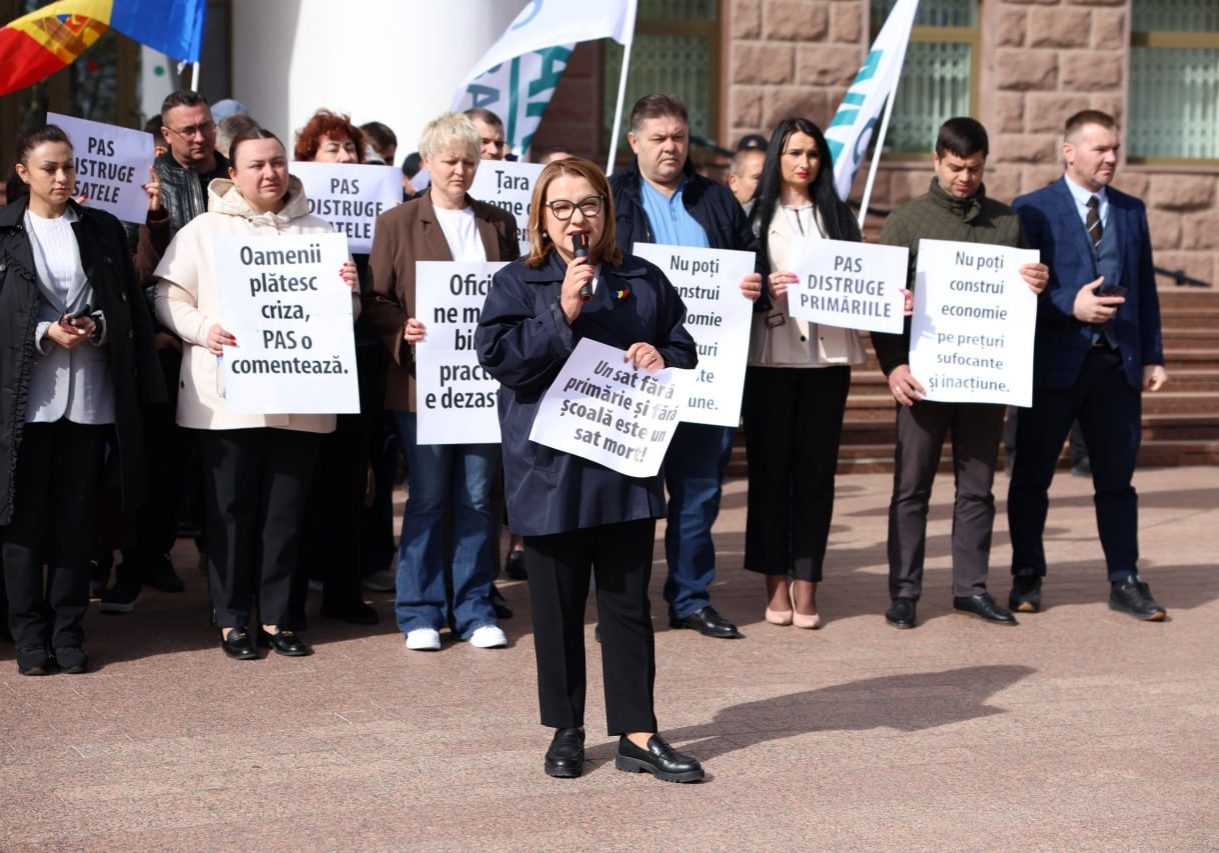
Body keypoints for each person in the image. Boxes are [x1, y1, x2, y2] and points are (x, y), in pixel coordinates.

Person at [476, 156, 704, 782]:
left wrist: (662, 352)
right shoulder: (518, 283)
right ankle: (567, 728)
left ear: (606, 210)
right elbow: (502, 360)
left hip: (623, 468)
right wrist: (564, 313)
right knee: (556, 607)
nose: (577, 218)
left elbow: (683, 345)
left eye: (589, 205)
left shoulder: (642, 277)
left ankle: (637, 732)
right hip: (550, 471)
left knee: (628, 606)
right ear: (542, 218)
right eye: (562, 207)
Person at [154, 128, 360, 660]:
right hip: (226, 400)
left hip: (301, 398)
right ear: (234, 171)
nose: (270, 173)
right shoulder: (203, 230)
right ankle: (230, 618)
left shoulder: (320, 230)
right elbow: (169, 297)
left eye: (277, 162)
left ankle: (279, 617)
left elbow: (345, 315)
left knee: (285, 513)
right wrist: (204, 331)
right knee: (229, 511)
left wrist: (346, 290)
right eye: (256, 165)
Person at [872, 117, 1048, 630]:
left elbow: (1018, 306)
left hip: (984, 379)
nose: (964, 178)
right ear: (936, 160)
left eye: (973, 168)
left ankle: (970, 588)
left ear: (984, 164)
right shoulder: (905, 222)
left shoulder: (1007, 223)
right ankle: (905, 592)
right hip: (921, 380)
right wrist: (893, 365)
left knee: (977, 488)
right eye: (955, 168)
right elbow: (884, 305)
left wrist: (1035, 282)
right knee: (912, 488)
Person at [0, 124, 162, 675]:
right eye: (51, 167)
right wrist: (44, 333)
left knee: (75, 522)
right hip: (25, 402)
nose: (64, 176)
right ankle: (27, 635)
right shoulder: (5, 233)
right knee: (23, 522)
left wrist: (94, 326)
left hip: (88, 398)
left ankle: (68, 630)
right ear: (24, 173)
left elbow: (126, 307)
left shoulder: (101, 229)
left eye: (69, 165)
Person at [610, 93, 763, 640]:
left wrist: (753, 284)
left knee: (698, 492)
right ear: (634, 143)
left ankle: (691, 598)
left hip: (705, 377)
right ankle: (622, 608)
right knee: (627, 496)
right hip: (634, 373)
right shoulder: (612, 196)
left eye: (678, 136)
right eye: (658, 138)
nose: (670, 147)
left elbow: (753, 260)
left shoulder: (717, 200)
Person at [1007, 110, 1169, 621]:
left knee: (1117, 482)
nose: (1111, 158)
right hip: (1052, 364)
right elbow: (1020, 289)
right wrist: (1067, 305)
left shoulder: (1130, 209)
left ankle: (1125, 579)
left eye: (1115, 148)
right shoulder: (1031, 209)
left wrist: (1153, 356)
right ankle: (1027, 576)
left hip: (1116, 367)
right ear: (1068, 151)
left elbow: (1143, 285)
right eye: (1100, 149)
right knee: (1031, 478)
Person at [364, 112, 517, 651]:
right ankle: (419, 610)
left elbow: (513, 294)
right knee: (428, 497)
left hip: (481, 388)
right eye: (450, 160)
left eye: (469, 161)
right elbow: (376, 299)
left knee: (477, 498)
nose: (460, 170)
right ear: (427, 161)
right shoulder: (397, 222)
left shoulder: (498, 224)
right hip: (421, 386)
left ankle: (474, 609)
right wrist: (400, 328)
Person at [745, 118, 866, 629]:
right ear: (777, 157)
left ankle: (808, 581)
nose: (804, 162)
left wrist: (889, 299)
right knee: (771, 475)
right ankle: (775, 583)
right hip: (768, 359)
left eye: (813, 153)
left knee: (816, 476)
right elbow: (738, 284)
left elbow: (863, 282)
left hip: (827, 361)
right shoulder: (752, 217)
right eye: (794, 152)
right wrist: (760, 286)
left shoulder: (839, 216)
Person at [290, 109, 380, 626]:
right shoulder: (298, 216)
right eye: (332, 149)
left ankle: (345, 591)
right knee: (303, 476)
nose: (344, 157)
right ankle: (295, 592)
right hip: (304, 361)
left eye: (350, 149)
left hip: (360, 356)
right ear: (309, 159)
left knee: (350, 476)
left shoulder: (376, 213)